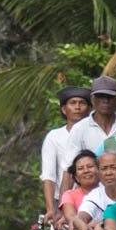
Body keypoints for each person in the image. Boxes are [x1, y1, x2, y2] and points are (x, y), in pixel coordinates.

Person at [40, 86, 92, 221]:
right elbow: (49, 175)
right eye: (73, 103)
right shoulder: (54, 137)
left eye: (82, 103)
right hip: (63, 202)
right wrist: (51, 208)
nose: (78, 107)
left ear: (90, 109)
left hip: (92, 199)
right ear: (64, 109)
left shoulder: (93, 134)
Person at [75, 150, 116, 230]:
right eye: (104, 168)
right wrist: (83, 227)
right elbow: (80, 217)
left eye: (113, 168)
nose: (108, 173)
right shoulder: (95, 196)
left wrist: (101, 225)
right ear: (98, 172)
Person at [66, 75, 116, 165]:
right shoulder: (80, 129)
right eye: (100, 96)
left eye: (110, 97)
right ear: (92, 99)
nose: (106, 101)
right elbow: (71, 165)